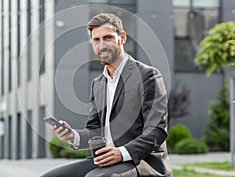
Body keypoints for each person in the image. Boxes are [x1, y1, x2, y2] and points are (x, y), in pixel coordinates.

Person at [41, 13, 172, 177]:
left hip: (141, 161)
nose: (102, 45)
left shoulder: (148, 76)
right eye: (96, 40)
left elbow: (157, 131)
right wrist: (72, 135)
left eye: (108, 37)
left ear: (122, 38)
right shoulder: (98, 84)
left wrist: (121, 153)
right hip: (105, 160)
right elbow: (95, 132)